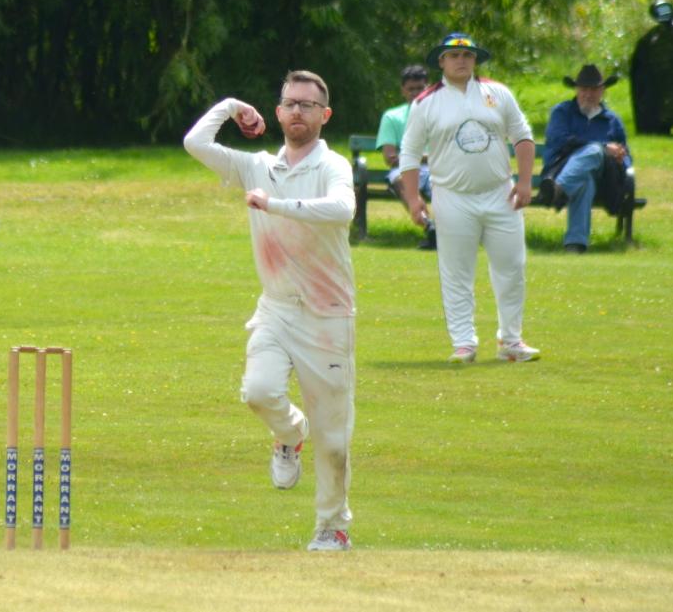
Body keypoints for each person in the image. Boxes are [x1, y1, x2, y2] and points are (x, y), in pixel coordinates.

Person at [183, 70, 357, 552]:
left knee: (335, 440)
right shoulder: (258, 165)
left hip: (328, 315)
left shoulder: (333, 165)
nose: (297, 111)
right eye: (289, 103)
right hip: (277, 308)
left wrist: (275, 204)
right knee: (259, 392)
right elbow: (194, 143)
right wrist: (232, 103)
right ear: (278, 112)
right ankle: (288, 433)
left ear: (325, 115)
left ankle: (332, 528)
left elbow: (343, 209)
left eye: (307, 104)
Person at [398, 33, 539, 364]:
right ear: (441, 62)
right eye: (453, 55)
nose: (461, 61)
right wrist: (414, 199)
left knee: (512, 267)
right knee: (457, 271)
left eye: (468, 56)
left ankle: (511, 341)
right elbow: (410, 153)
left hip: (500, 192)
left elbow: (522, 135)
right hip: (452, 196)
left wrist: (525, 181)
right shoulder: (426, 102)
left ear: (476, 60)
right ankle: (464, 343)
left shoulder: (497, 94)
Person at [539, 64, 631, 253]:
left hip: (605, 177)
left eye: (594, 89)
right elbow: (558, 140)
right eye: (584, 89)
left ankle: (559, 189)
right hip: (564, 167)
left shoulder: (612, 120)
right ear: (576, 89)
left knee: (596, 151)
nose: (588, 94)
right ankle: (576, 244)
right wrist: (605, 147)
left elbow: (625, 155)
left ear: (602, 90)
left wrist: (620, 159)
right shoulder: (562, 112)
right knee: (585, 178)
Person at [376, 64, 437, 249]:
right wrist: (427, 156)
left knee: (445, 183)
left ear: (429, 88)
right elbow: (391, 159)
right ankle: (430, 228)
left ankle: (447, 233)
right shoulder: (392, 117)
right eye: (411, 89)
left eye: (420, 88)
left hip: (437, 169)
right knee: (400, 179)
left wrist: (410, 156)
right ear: (403, 90)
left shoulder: (440, 115)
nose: (416, 93)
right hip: (404, 170)